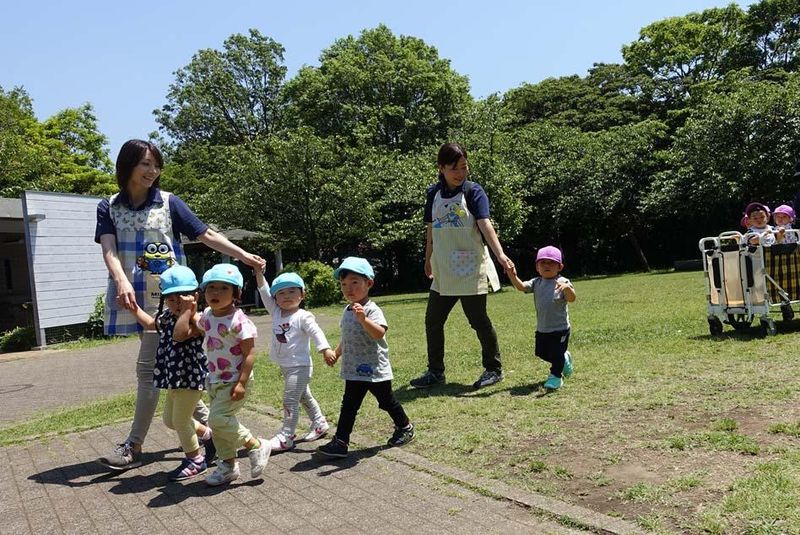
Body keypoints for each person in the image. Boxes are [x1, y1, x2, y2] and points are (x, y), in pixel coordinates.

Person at [95, 139, 265, 471]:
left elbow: (206, 234)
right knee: (170, 369)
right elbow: (109, 249)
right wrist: (121, 280)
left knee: (149, 369)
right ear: (128, 165)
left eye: (156, 165)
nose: (152, 171)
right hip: (134, 294)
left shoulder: (169, 202)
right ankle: (214, 433)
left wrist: (243, 255)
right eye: (145, 164)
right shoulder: (109, 206)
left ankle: (134, 446)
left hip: (174, 300)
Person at [410, 142, 515, 390]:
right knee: (433, 320)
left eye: (464, 167)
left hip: (470, 267)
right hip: (443, 269)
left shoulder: (473, 191)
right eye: (454, 168)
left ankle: (493, 369)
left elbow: (485, 224)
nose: (460, 173)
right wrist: (428, 258)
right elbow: (431, 230)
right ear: (441, 168)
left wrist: (500, 255)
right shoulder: (433, 194)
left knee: (478, 320)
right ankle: (436, 372)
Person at [176, 263, 270, 485]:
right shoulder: (208, 315)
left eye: (223, 288)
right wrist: (187, 309)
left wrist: (242, 383)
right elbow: (193, 327)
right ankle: (228, 466)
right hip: (214, 380)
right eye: (211, 287)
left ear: (236, 294)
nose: (215, 293)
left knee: (217, 419)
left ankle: (256, 445)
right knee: (219, 425)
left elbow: (250, 354)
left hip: (235, 380)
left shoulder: (240, 321)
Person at [317, 257, 414, 458]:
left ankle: (405, 427)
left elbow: (379, 333)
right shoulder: (347, 310)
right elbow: (347, 337)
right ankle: (341, 442)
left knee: (386, 401)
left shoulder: (371, 309)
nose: (348, 289)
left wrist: (364, 319)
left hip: (375, 369)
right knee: (349, 406)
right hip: (353, 369)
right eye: (344, 284)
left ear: (368, 283)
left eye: (354, 282)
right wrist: (337, 352)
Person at [129, 265, 213, 481]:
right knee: (170, 420)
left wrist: (187, 311)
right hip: (173, 378)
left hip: (189, 377)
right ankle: (209, 435)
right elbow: (151, 325)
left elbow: (179, 335)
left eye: (181, 298)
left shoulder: (199, 319)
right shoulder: (167, 316)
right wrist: (133, 308)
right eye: (171, 299)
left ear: (195, 297)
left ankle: (195, 460)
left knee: (181, 420)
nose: (176, 304)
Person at [255, 269, 335, 452]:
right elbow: (263, 290)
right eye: (281, 293)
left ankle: (286, 436)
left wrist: (325, 349)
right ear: (275, 298)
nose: (287, 296)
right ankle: (319, 422)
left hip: (300, 366)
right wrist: (259, 272)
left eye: (292, 291)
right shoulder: (276, 312)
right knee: (304, 396)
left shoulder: (303, 316)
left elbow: (316, 332)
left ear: (302, 294)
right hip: (286, 365)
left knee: (290, 400)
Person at [506, 246, 576, 391]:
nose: (546, 265)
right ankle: (564, 358)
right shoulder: (536, 282)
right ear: (537, 267)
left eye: (551, 262)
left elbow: (572, 298)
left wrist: (567, 289)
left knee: (556, 355)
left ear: (560, 267)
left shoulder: (563, 281)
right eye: (542, 262)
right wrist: (512, 275)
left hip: (560, 328)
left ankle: (556, 377)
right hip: (543, 328)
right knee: (541, 353)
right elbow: (521, 287)